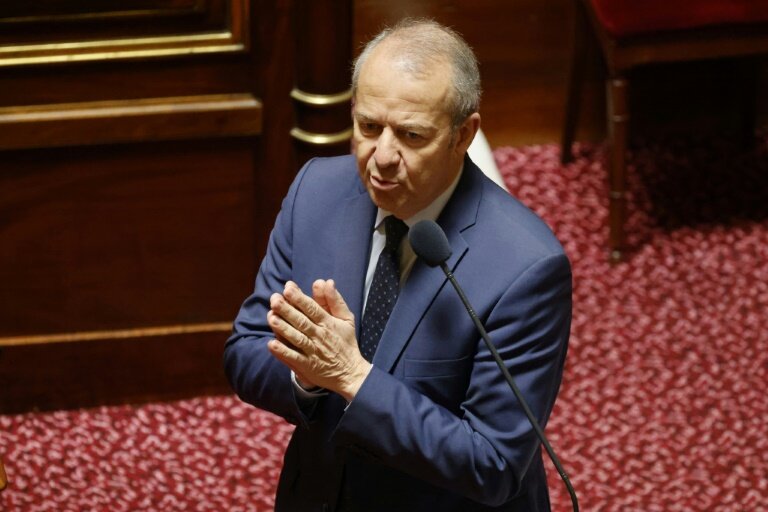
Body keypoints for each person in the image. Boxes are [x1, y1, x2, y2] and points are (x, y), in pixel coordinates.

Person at [224, 18, 572, 512]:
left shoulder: (527, 268)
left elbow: (493, 463)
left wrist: (351, 377)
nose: (381, 157)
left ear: (463, 135)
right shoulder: (316, 193)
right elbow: (244, 351)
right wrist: (307, 377)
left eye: (411, 135)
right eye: (368, 126)